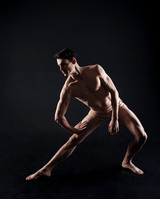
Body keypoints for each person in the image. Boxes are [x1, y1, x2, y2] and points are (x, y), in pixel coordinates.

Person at [26, 48, 147, 180]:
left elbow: (114, 92)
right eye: (59, 67)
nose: (62, 70)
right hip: (96, 113)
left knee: (141, 136)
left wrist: (114, 118)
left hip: (116, 106)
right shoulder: (69, 87)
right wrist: (74, 130)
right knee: (73, 140)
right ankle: (45, 170)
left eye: (64, 65)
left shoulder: (95, 70)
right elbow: (58, 117)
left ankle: (127, 162)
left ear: (74, 60)